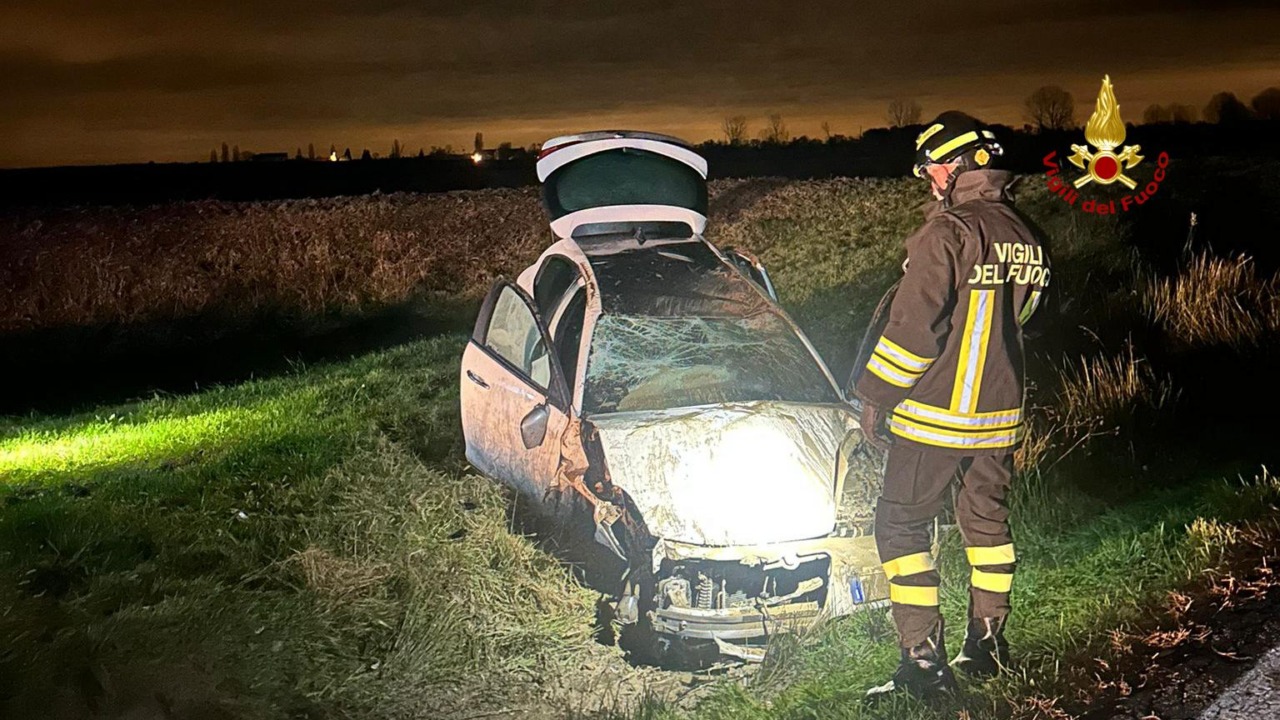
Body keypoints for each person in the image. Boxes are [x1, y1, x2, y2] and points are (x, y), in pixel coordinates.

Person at [854, 111, 1051, 700]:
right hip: (1000, 414)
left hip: (935, 415)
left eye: (933, 166)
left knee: (900, 525)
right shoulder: (1025, 232)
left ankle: (922, 662)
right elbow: (1027, 318)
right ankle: (988, 645)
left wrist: (874, 396)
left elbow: (914, 329)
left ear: (962, 164)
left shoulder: (947, 233)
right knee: (986, 522)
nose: (929, 179)